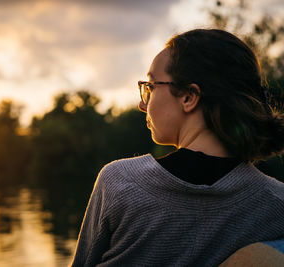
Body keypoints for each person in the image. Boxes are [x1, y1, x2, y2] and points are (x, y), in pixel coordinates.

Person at [70, 29, 284, 266]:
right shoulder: (276, 203)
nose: (143, 103)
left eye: (150, 86)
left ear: (188, 97)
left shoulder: (120, 183)